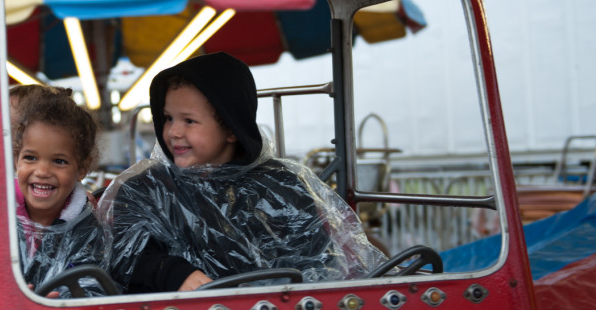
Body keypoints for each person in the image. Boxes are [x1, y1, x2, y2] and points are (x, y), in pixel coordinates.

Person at [98, 52, 385, 293]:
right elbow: (124, 258)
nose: (173, 131)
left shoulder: (280, 185)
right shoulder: (144, 191)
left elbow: (317, 260)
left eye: (189, 121)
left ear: (231, 128)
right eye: (168, 118)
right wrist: (173, 273)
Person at [13, 88, 105, 296]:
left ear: (82, 168)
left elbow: (94, 286)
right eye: (30, 158)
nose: (43, 171)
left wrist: (63, 301)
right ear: (15, 159)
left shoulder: (87, 229)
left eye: (59, 161)